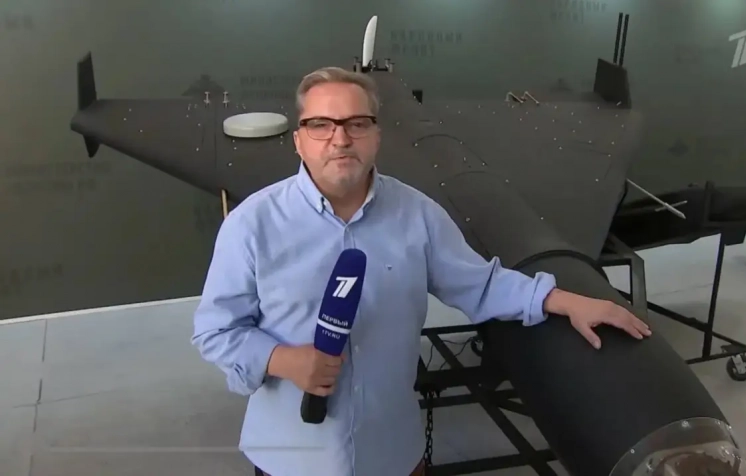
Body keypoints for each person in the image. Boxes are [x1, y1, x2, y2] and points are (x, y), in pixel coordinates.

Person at [191, 66, 652, 476]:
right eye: (321, 124)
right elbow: (216, 331)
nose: (340, 138)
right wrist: (282, 360)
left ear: (376, 135)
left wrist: (565, 300)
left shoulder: (417, 214)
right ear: (299, 139)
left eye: (357, 123)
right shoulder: (252, 224)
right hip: (291, 459)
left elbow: (480, 284)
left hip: (393, 455)